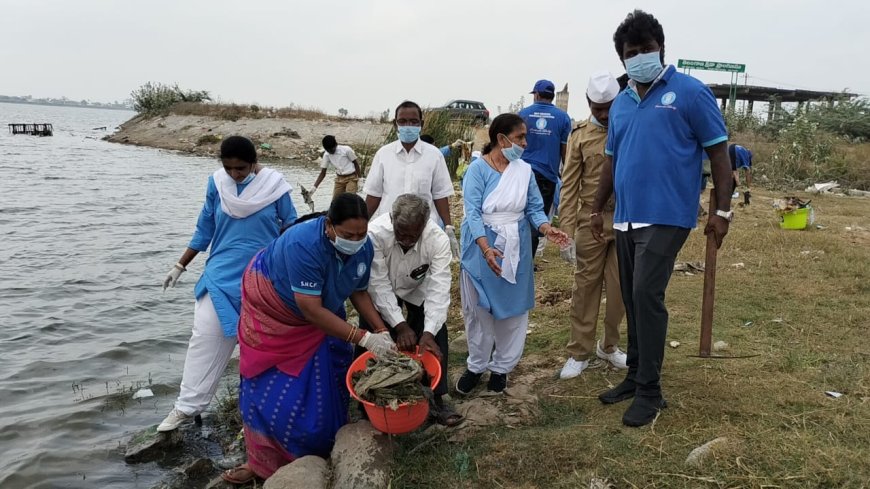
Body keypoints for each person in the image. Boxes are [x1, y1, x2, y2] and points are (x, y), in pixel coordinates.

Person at [590, 10, 732, 427]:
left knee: (647, 295)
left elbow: (719, 154)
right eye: (631, 53)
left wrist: (722, 211)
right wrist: (597, 208)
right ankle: (635, 376)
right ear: (623, 60)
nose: (639, 58)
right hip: (627, 218)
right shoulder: (620, 105)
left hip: (669, 215)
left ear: (661, 49)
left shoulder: (690, 93)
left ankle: (651, 391)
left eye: (646, 50)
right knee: (634, 297)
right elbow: (611, 163)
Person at [222, 193, 397, 484]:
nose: (355, 240)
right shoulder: (303, 244)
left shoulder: (363, 247)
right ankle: (261, 462)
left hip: (321, 308)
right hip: (275, 311)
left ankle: (325, 443)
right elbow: (310, 310)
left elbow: (359, 290)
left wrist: (380, 331)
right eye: (348, 234)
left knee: (330, 371)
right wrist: (363, 338)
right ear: (329, 225)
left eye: (361, 234)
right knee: (271, 390)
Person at [158, 136, 297, 432]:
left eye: (241, 168)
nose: (235, 174)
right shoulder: (216, 184)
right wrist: (180, 265)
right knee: (204, 338)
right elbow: (204, 228)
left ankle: (262, 413)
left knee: (261, 348)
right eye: (229, 167)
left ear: (254, 162)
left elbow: (290, 229)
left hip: (263, 278)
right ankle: (187, 407)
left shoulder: (275, 186)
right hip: (220, 276)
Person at [455, 114, 570, 395]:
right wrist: (484, 247)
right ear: (501, 139)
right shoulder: (477, 170)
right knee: (479, 309)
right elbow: (472, 211)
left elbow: (533, 207)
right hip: (481, 243)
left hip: (515, 245)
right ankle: (476, 365)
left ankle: (501, 368)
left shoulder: (524, 171)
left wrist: (546, 227)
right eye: (520, 137)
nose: (525, 142)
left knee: (513, 310)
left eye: (524, 136)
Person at [362, 193, 462, 426]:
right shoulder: (375, 233)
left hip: (419, 286)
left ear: (424, 225)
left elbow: (439, 288)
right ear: (392, 220)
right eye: (401, 233)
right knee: (375, 331)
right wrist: (399, 324)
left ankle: (437, 397)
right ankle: (369, 398)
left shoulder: (437, 240)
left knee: (436, 334)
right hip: (384, 284)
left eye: (412, 235)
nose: (406, 240)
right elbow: (377, 283)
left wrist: (427, 332)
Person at [557, 71, 627, 380]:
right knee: (585, 288)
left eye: (609, 107)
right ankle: (579, 351)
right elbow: (569, 186)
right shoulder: (580, 136)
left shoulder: (628, 128)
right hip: (590, 222)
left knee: (621, 288)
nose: (604, 114)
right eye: (598, 109)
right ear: (588, 103)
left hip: (625, 219)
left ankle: (609, 346)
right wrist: (566, 233)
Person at [364, 101, 460, 260]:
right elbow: (374, 194)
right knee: (385, 273)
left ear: (421, 124)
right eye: (402, 121)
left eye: (413, 122)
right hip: (389, 228)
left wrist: (448, 227)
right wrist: (362, 224)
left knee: (422, 273)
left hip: (423, 229)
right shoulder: (384, 155)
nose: (408, 126)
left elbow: (440, 195)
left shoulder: (434, 155)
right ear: (395, 124)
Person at [518, 79, 573, 261]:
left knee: (517, 217)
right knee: (538, 220)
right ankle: (527, 262)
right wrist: (566, 175)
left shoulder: (523, 114)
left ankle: (515, 260)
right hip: (547, 177)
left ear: (537, 94)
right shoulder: (563, 117)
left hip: (521, 174)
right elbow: (565, 151)